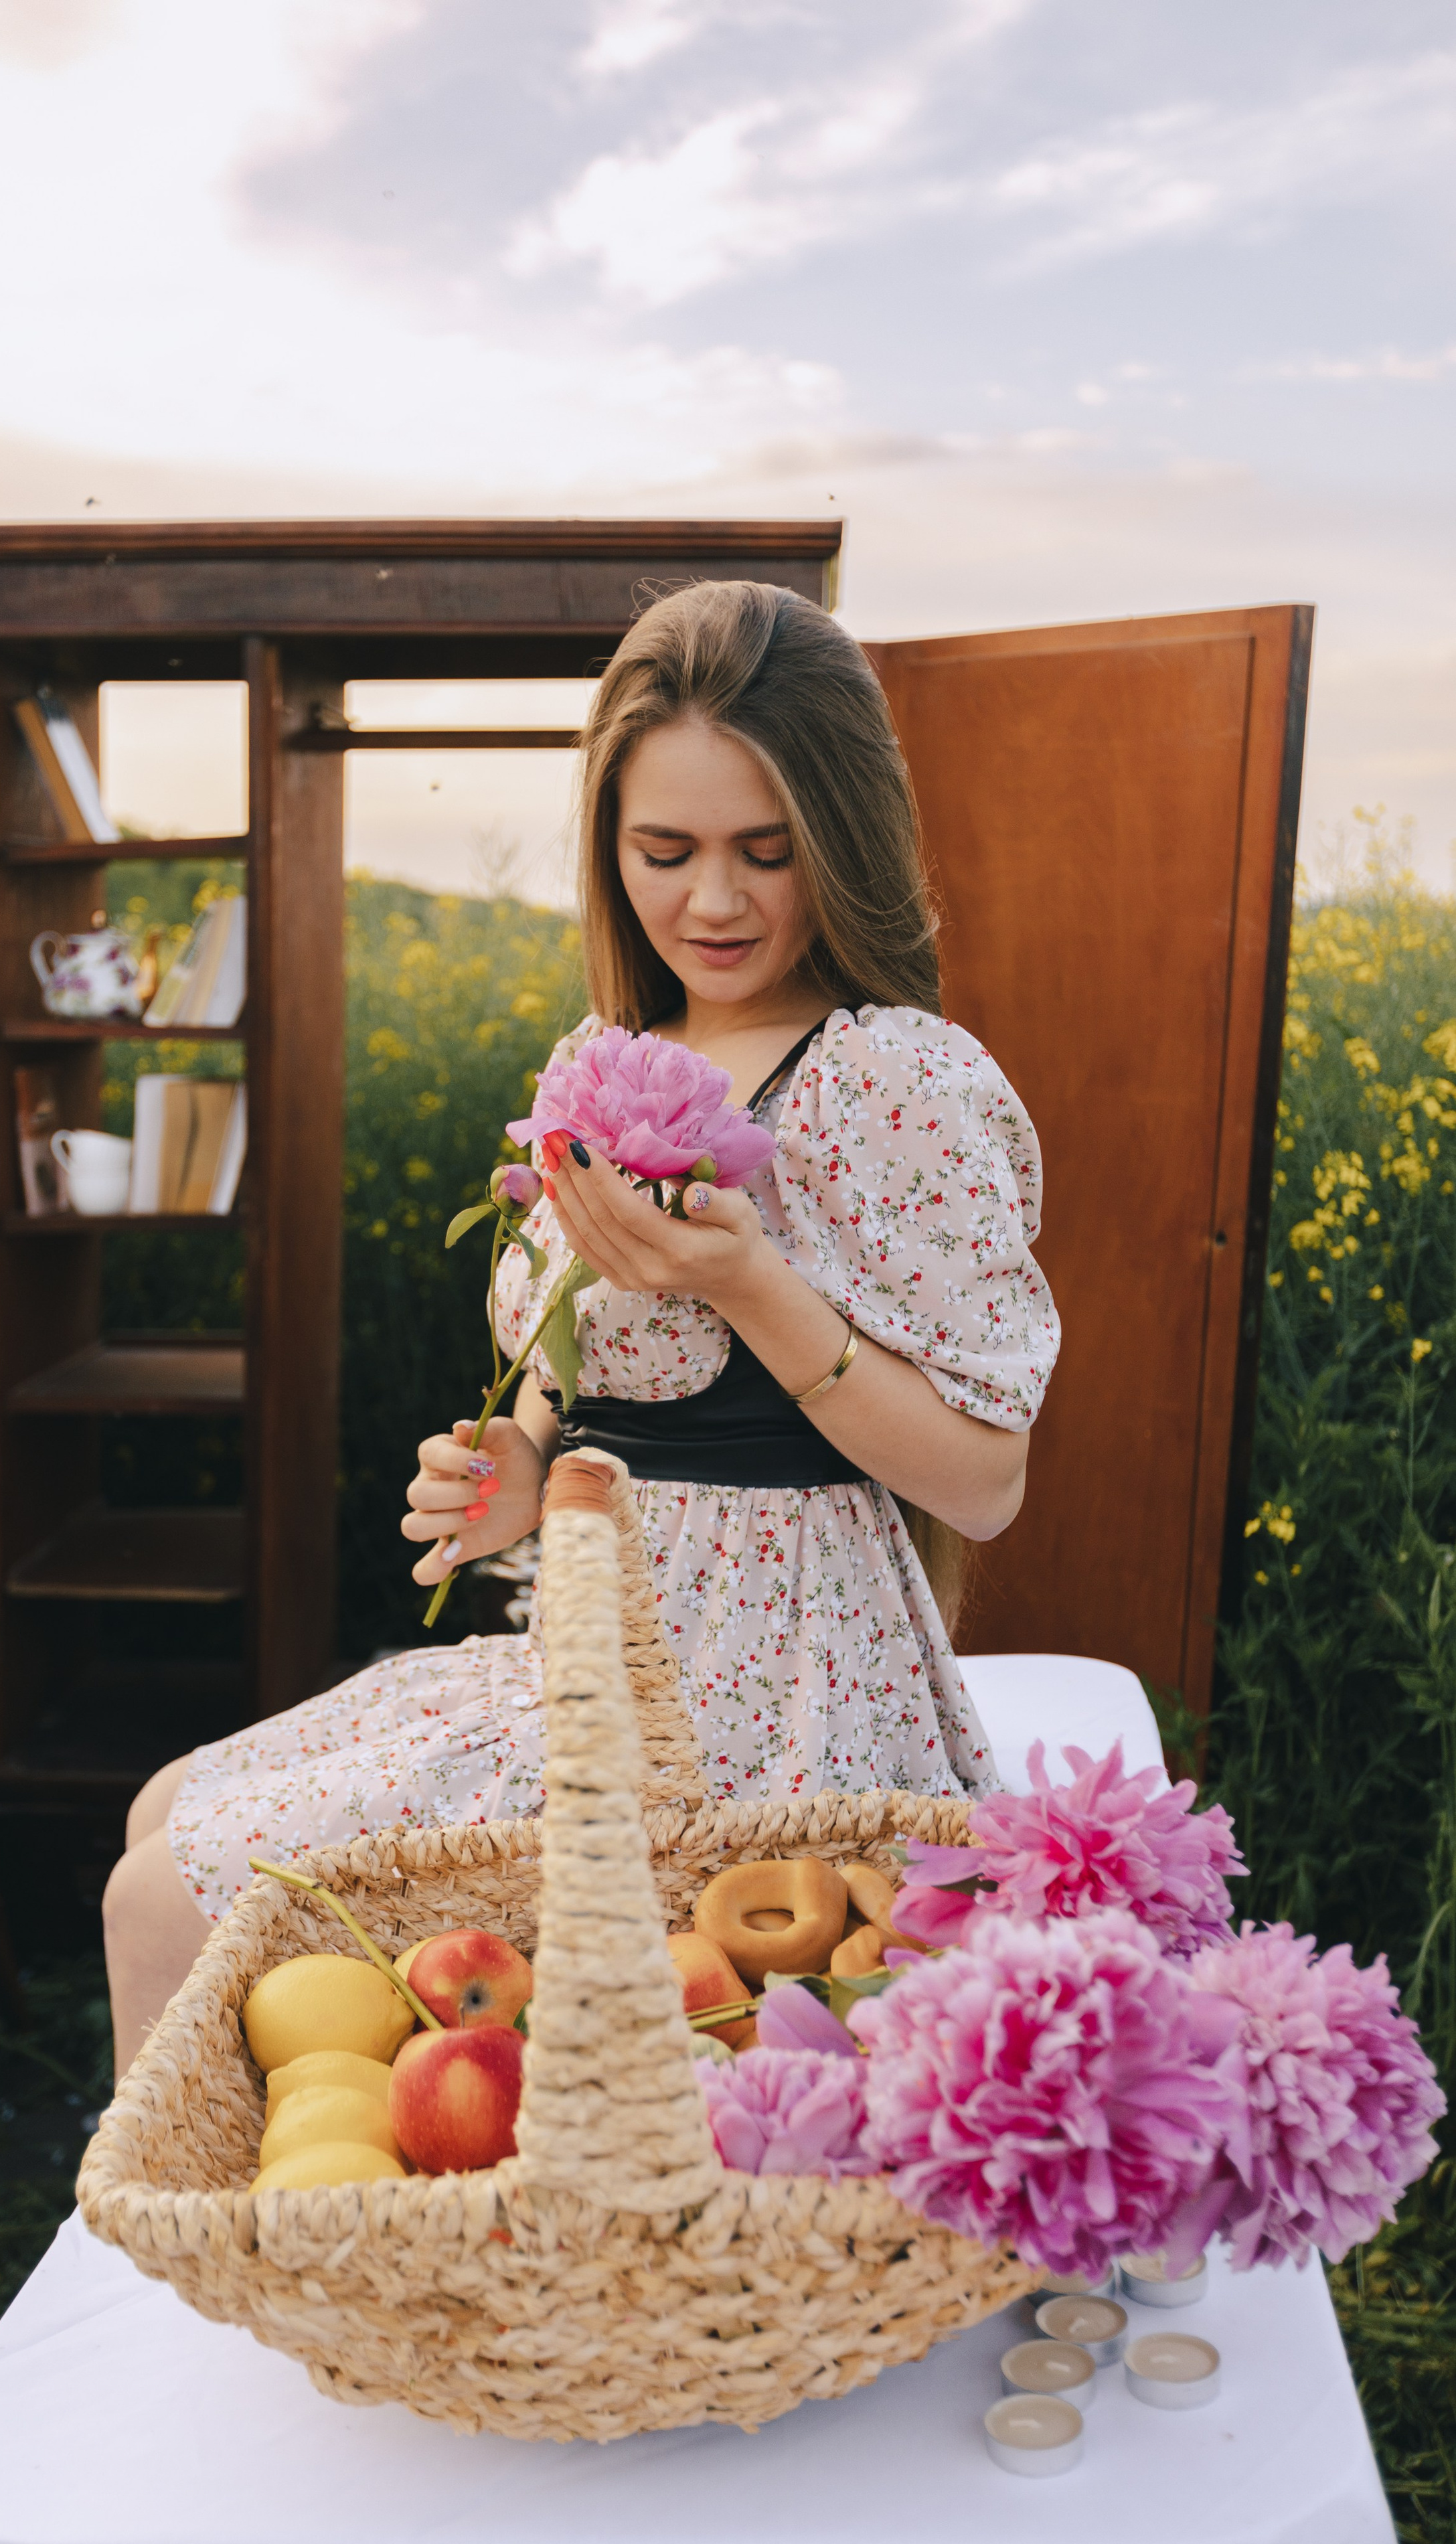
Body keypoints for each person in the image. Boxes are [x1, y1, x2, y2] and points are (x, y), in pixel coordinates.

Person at [102, 581, 1060, 2074]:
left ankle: (216, 2284)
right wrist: (518, 1466)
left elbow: (981, 1482)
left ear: (845, 839)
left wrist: (748, 1282)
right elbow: (584, 1379)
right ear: (609, 851)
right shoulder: (606, 1060)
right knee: (161, 1805)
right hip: (596, 1638)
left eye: (767, 851)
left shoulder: (886, 1080)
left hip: (770, 1695)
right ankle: (246, 2247)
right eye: (662, 851)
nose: (714, 903)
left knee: (163, 1900)